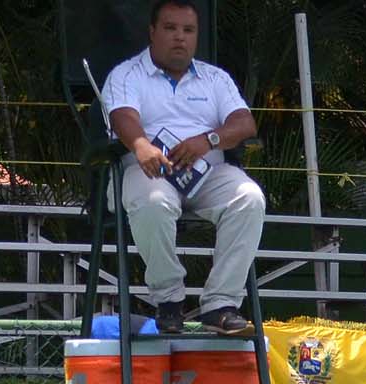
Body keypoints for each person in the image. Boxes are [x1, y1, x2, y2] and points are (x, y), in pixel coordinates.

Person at [103, 0, 266, 336]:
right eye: (170, 28)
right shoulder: (126, 74)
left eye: (188, 30)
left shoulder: (215, 78)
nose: (180, 37)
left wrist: (208, 140)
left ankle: (220, 305)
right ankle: (169, 302)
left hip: (208, 173)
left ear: (196, 37)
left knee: (250, 198)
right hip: (149, 171)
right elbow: (123, 117)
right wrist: (141, 145)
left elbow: (244, 123)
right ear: (152, 32)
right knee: (154, 201)